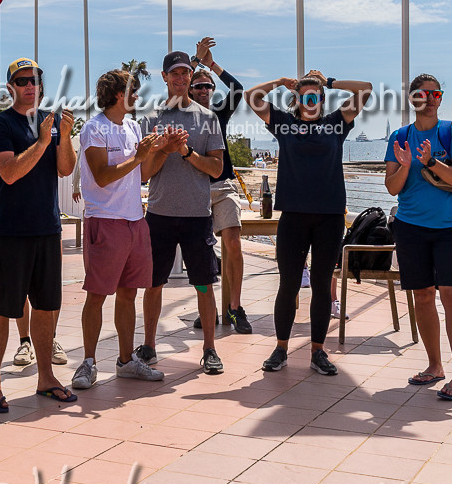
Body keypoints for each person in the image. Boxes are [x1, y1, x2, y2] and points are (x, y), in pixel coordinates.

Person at [246, 69, 369, 376]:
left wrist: (329, 82)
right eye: (304, 96)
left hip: (329, 217)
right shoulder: (285, 125)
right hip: (293, 216)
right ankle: (281, 349)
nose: (310, 100)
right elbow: (251, 97)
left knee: (321, 285)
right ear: (297, 99)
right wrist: (279, 82)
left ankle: (318, 351)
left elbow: (365, 89)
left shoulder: (336, 124)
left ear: (322, 99)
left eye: (315, 96)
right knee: (288, 285)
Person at [0, 58, 76, 413]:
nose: (29, 86)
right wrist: (41, 141)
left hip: (47, 229)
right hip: (11, 231)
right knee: (2, 310)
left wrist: (62, 137)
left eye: (35, 79)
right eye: (21, 81)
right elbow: (8, 173)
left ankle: (47, 378)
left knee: (47, 308)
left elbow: (65, 168)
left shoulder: (50, 124)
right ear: (10, 87)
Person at [385, 74, 452, 402]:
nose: (430, 98)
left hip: (451, 228)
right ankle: (435, 365)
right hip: (411, 228)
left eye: (435, 93)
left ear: (440, 97)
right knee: (422, 296)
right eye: (422, 93)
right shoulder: (400, 136)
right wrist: (407, 166)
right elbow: (392, 187)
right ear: (412, 98)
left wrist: (431, 162)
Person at [138, 51, 226, 375]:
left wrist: (187, 152)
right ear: (164, 77)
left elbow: (216, 168)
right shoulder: (149, 119)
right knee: (154, 283)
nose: (180, 79)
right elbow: (145, 173)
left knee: (203, 285)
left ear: (191, 76)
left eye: (185, 73)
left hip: (196, 216)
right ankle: (148, 345)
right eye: (174, 74)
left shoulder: (208, 118)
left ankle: (210, 349)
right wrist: (164, 149)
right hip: (159, 215)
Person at [73, 69, 162, 389]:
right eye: (132, 91)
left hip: (134, 220)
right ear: (115, 95)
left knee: (128, 294)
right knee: (96, 296)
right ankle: (87, 363)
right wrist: (139, 155)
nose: (137, 96)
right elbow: (101, 176)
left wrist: (160, 151)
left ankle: (126, 361)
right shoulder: (94, 129)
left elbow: (143, 175)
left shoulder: (133, 126)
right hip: (104, 220)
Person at [191, 38, 251, 333]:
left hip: (223, 186)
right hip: (194, 188)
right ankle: (208, 309)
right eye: (198, 86)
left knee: (234, 244)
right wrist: (193, 63)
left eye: (207, 86)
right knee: (200, 253)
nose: (204, 90)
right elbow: (170, 92)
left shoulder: (219, 112)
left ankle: (235, 308)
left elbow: (238, 89)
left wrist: (210, 64)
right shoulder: (180, 113)